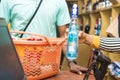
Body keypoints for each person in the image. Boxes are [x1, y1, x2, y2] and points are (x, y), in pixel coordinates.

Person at [0, 0, 87, 74]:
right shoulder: (7, 1)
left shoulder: (59, 1)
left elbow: (63, 36)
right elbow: (1, 32)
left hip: (47, 66)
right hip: (18, 63)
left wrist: (71, 62)